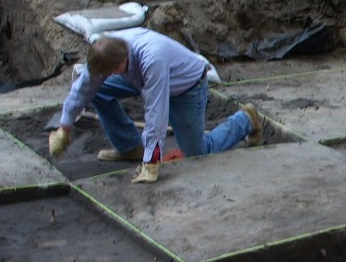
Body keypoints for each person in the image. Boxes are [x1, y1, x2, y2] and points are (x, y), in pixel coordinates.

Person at [47, 31, 261, 184]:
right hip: (140, 78)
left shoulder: (152, 59)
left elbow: (156, 112)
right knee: (99, 90)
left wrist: (151, 160)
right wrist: (64, 128)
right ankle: (130, 147)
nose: (108, 75)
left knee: (197, 152)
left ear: (121, 61)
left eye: (111, 71)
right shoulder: (105, 51)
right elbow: (83, 88)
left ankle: (245, 120)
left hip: (186, 87)